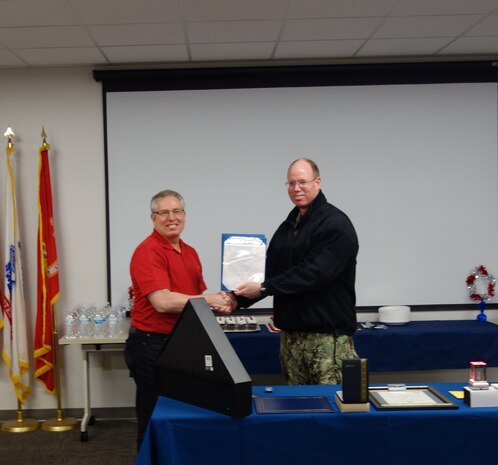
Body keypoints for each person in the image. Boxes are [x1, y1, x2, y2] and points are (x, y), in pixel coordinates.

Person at [124, 189, 234, 449]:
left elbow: (195, 300)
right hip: (153, 346)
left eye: (176, 211)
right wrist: (210, 299)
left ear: (184, 215)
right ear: (153, 218)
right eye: (163, 212)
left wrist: (225, 302)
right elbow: (162, 302)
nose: (171, 217)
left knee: (183, 415)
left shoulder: (190, 252)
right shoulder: (148, 252)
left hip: (184, 344)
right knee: (154, 418)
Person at [234, 158, 359, 385]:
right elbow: (270, 272)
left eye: (302, 182)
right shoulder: (288, 226)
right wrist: (235, 299)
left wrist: (264, 287)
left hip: (327, 340)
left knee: (334, 408)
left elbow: (315, 273)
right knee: (298, 408)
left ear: (317, 182)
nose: (296, 188)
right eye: (291, 183)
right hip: (290, 337)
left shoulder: (335, 224)